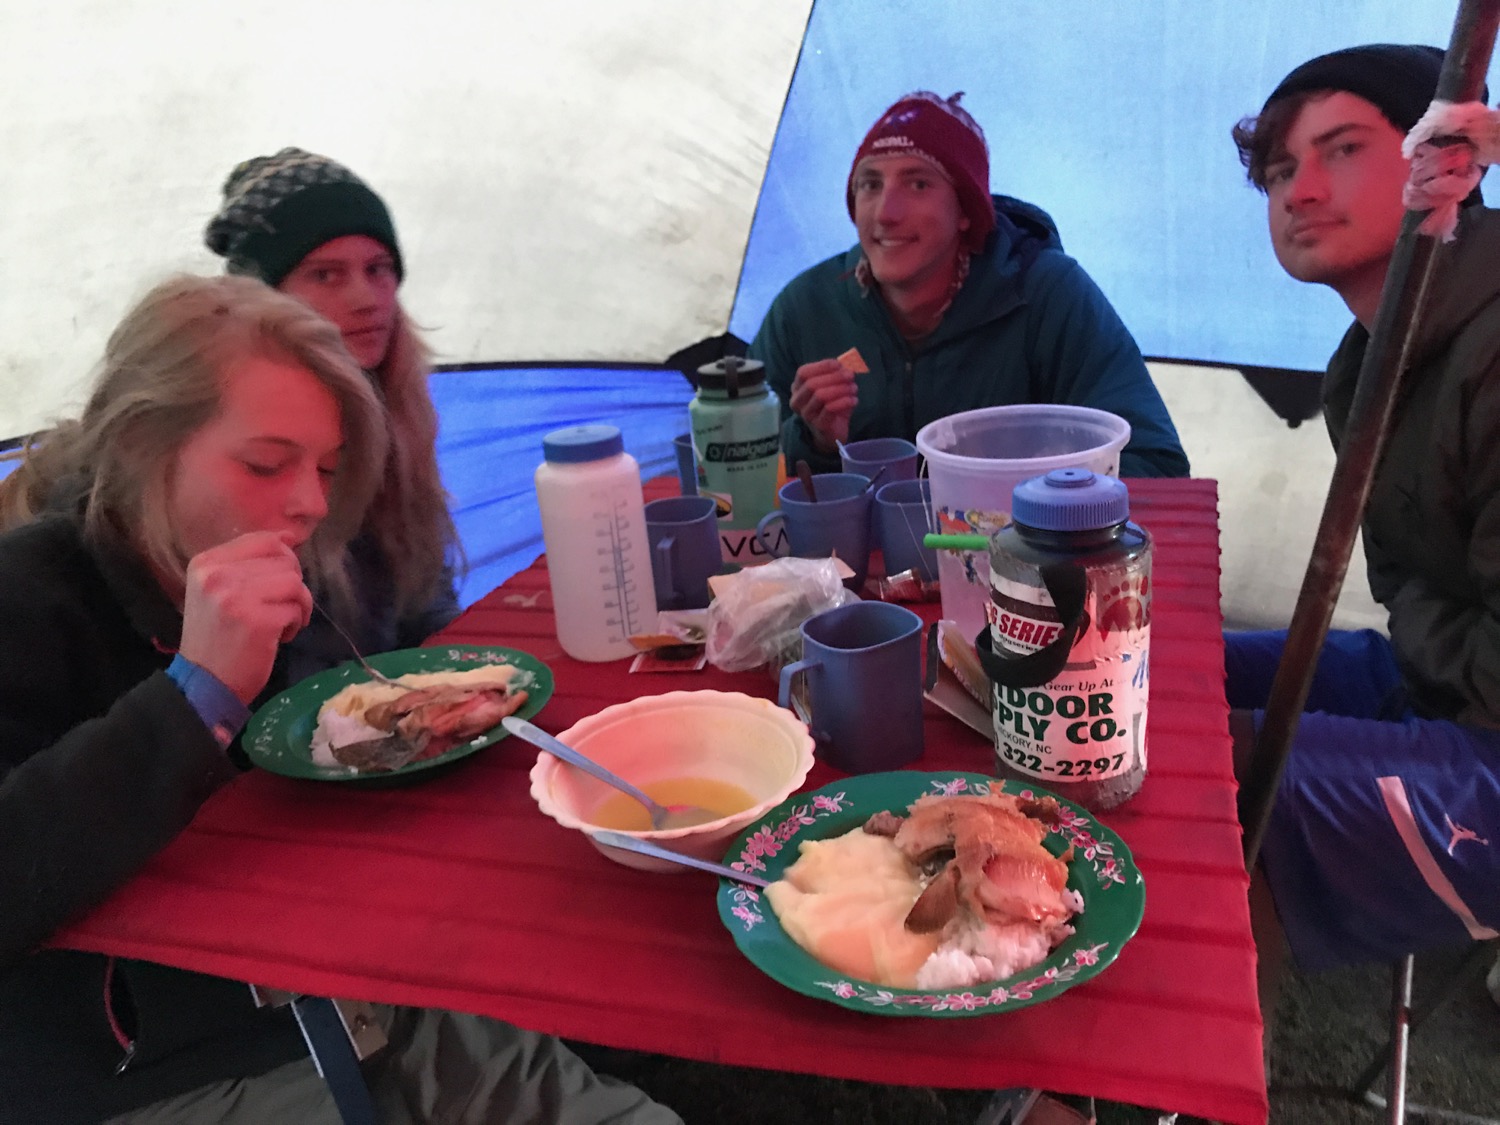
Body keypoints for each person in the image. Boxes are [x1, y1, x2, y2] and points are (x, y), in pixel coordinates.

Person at [0, 275, 681, 1124]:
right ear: (144, 444)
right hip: (155, 1069)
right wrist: (194, 697)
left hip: (351, 982)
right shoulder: (29, 597)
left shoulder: (286, 585)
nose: (312, 503)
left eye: (324, 469)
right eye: (265, 462)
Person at [1226, 44, 1500, 1012]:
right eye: (1278, 168)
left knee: (1204, 773)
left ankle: (1103, 1073)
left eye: (1342, 149)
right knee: (1161, 669)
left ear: (1448, 161)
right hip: (1443, 683)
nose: (1299, 191)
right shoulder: (1369, 363)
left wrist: (1417, 633)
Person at [749, 90, 1190, 479]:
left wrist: (1035, 483)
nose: (886, 213)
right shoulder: (805, 310)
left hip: (1019, 565)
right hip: (849, 570)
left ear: (965, 212)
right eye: (869, 185)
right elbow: (736, 478)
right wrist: (817, 443)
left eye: (918, 184)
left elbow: (1157, 465)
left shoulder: (1045, 296)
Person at [203, 148, 462, 681]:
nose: (368, 298)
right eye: (326, 275)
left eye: (379, 268)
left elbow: (427, 607)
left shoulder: (400, 411)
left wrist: (462, 678)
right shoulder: (233, 437)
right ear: (263, 301)